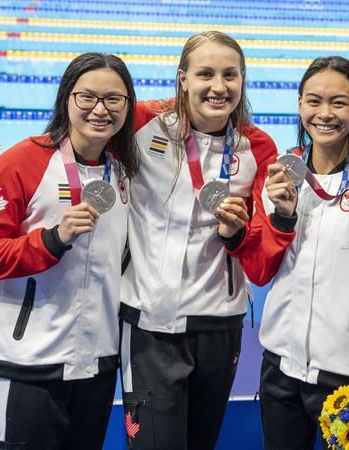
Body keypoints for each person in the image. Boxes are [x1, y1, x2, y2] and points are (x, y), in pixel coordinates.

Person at [0, 52, 139, 450]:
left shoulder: (123, 171)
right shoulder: (22, 162)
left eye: (114, 99)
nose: (100, 109)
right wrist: (51, 239)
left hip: (96, 361)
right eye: (87, 96)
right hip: (29, 361)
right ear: (66, 98)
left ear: (128, 105)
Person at [229, 56, 349, 449]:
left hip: (347, 377)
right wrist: (281, 218)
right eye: (313, 101)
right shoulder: (279, 172)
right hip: (279, 368)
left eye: (339, 103)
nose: (324, 114)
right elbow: (260, 271)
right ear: (298, 105)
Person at [119, 31, 278, 450]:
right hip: (149, 322)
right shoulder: (139, 124)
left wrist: (237, 234)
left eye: (230, 75)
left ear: (243, 80)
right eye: (205, 73)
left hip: (218, 321)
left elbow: (260, 245)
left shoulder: (257, 146)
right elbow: (78, 141)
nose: (219, 86)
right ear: (183, 78)